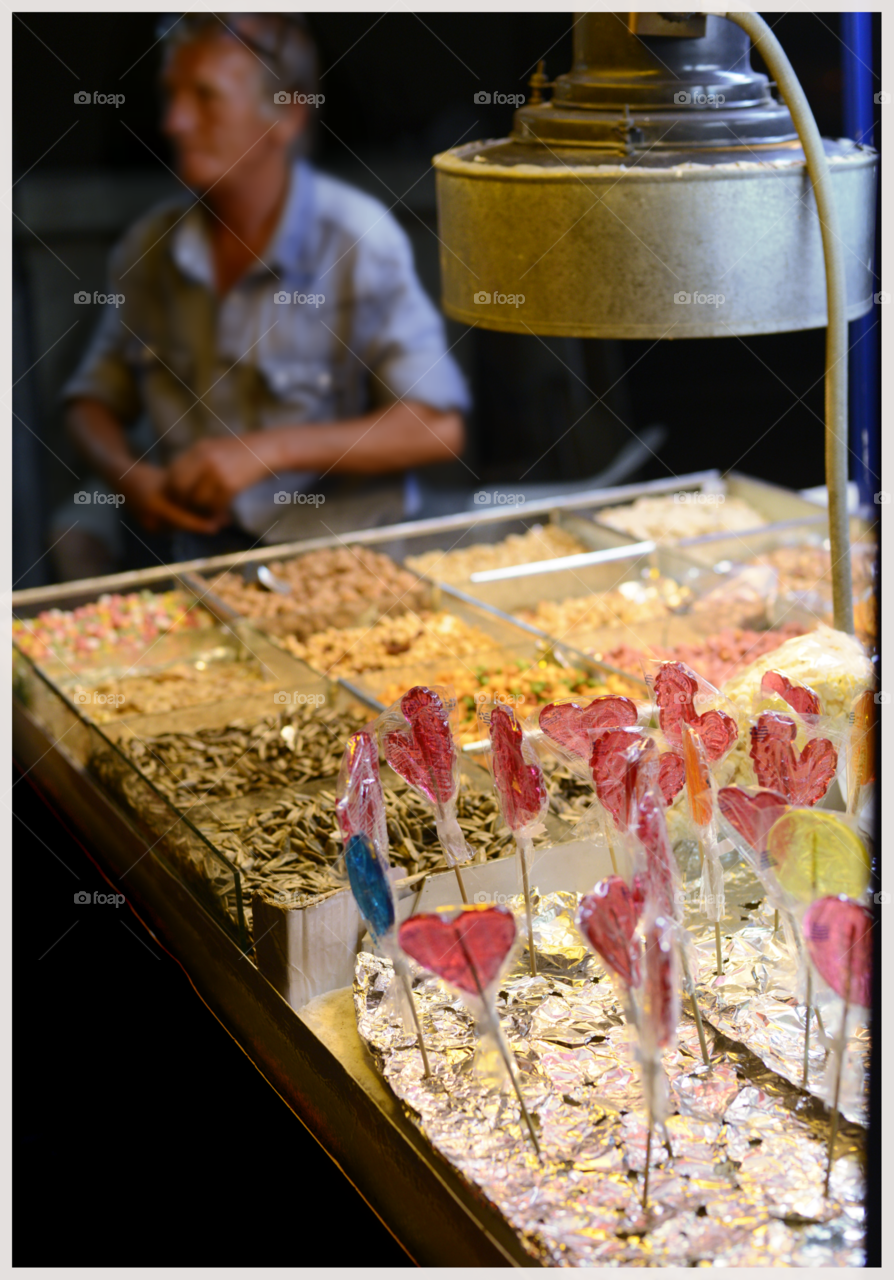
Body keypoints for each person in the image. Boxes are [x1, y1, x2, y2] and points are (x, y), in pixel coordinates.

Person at [63, 12, 469, 565]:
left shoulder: (356, 237)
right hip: (199, 556)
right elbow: (91, 402)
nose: (175, 122)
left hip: (336, 559)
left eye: (205, 97)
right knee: (74, 532)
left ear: (287, 114)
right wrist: (129, 475)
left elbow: (435, 427)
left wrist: (267, 451)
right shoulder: (150, 249)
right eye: (171, 96)